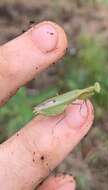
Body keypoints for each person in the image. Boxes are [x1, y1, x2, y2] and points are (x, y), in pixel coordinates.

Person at [0, 21, 94, 190]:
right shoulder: (80, 95)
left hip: (63, 103)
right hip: (58, 104)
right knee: (64, 103)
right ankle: (43, 110)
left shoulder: (81, 95)